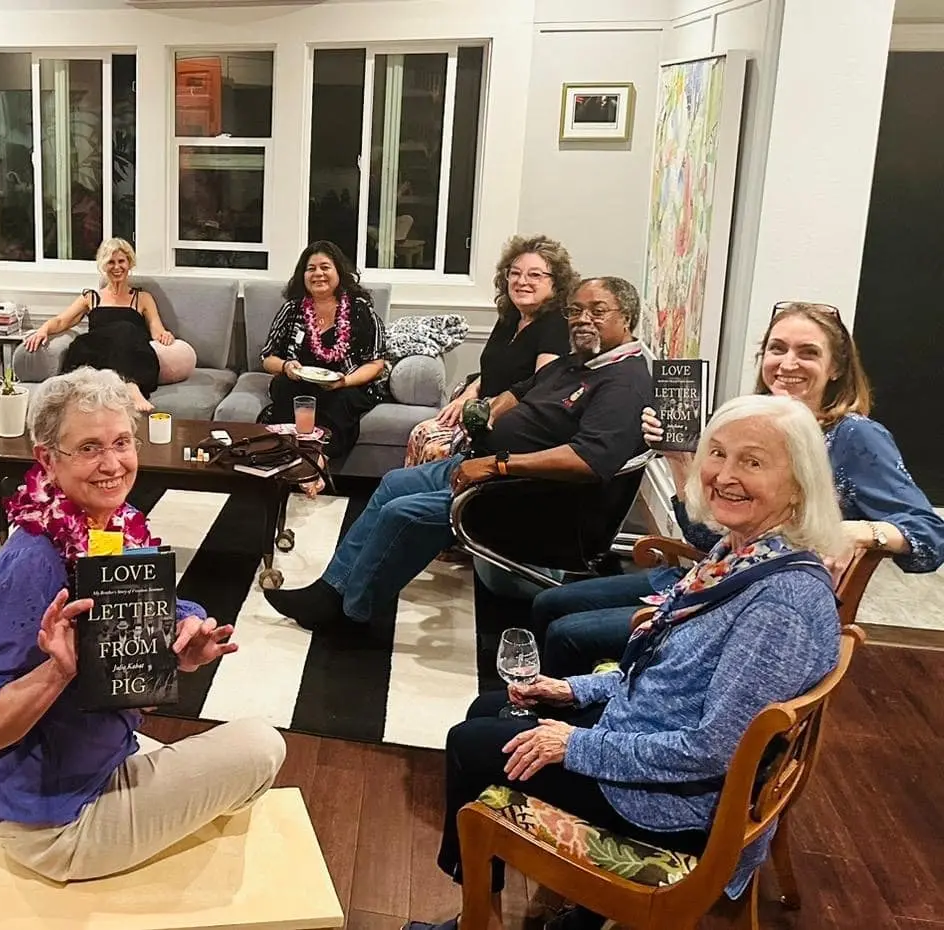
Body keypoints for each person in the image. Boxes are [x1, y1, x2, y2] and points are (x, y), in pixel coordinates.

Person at [405, 394, 846, 930]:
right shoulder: (743, 552)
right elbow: (669, 672)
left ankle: (481, 920)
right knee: (488, 708)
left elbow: (714, 751)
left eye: (752, 462)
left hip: (675, 804)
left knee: (469, 743)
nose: (725, 475)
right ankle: (551, 909)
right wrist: (574, 690)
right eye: (718, 453)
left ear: (798, 484)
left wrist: (576, 744)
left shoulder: (779, 607)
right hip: (652, 736)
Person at [0, 367, 287, 882]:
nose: (112, 464)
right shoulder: (32, 561)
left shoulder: (111, 526)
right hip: (55, 823)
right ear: (47, 460)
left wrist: (185, 633)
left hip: (106, 760)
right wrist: (57, 673)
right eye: (89, 448)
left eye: (122, 442)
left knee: (231, 762)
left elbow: (148, 609)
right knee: (263, 745)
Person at [533, 300, 944, 677]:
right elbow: (703, 537)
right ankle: (539, 707)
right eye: (777, 349)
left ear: (836, 368)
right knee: (549, 602)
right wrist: (679, 459)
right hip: (712, 576)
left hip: (757, 607)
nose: (787, 363)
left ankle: (577, 723)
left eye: (808, 352)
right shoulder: (755, 424)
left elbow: (930, 536)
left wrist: (858, 531)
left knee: (569, 634)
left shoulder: (854, 436)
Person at [264, 277, 653, 641]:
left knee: (404, 513)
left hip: (531, 496)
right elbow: (520, 390)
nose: (582, 319)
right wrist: (487, 414)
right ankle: (331, 589)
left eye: (597, 311)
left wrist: (497, 464)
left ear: (628, 318)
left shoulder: (623, 382)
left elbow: (588, 460)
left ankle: (352, 615)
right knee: (395, 483)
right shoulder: (577, 362)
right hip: (487, 466)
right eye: (576, 310)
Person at [406, 235, 575, 467]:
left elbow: (540, 387)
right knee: (422, 432)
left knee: (434, 445)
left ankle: (445, 489)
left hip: (510, 420)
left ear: (557, 283)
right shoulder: (511, 316)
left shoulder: (556, 324)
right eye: (515, 273)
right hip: (480, 406)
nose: (521, 281)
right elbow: (493, 368)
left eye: (535, 275)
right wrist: (468, 394)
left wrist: (485, 410)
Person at [258, 240, 387, 471]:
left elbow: (377, 363)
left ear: (339, 272)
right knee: (283, 386)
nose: (318, 274)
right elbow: (267, 358)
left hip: (347, 384)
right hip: (301, 383)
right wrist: (286, 366)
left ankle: (317, 462)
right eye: (311, 269)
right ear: (303, 275)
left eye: (325, 267)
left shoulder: (359, 310)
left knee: (341, 399)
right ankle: (286, 454)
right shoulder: (292, 309)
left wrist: (344, 381)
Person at [22, 239, 172, 413]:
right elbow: (62, 321)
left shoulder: (143, 298)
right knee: (86, 342)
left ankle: (130, 384)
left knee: (125, 329)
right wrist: (43, 330)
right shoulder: (91, 297)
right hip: (98, 354)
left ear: (129, 263)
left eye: (121, 261)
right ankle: (120, 386)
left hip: (132, 355)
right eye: (111, 262)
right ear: (103, 266)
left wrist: (165, 335)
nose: (117, 267)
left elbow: (156, 329)